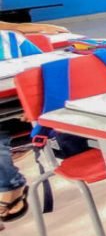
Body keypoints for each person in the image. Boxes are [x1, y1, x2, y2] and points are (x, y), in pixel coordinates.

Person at [0, 20, 66, 221]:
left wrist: (35, 104)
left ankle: (11, 185)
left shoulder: (12, 40)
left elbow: (50, 73)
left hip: (19, 115)